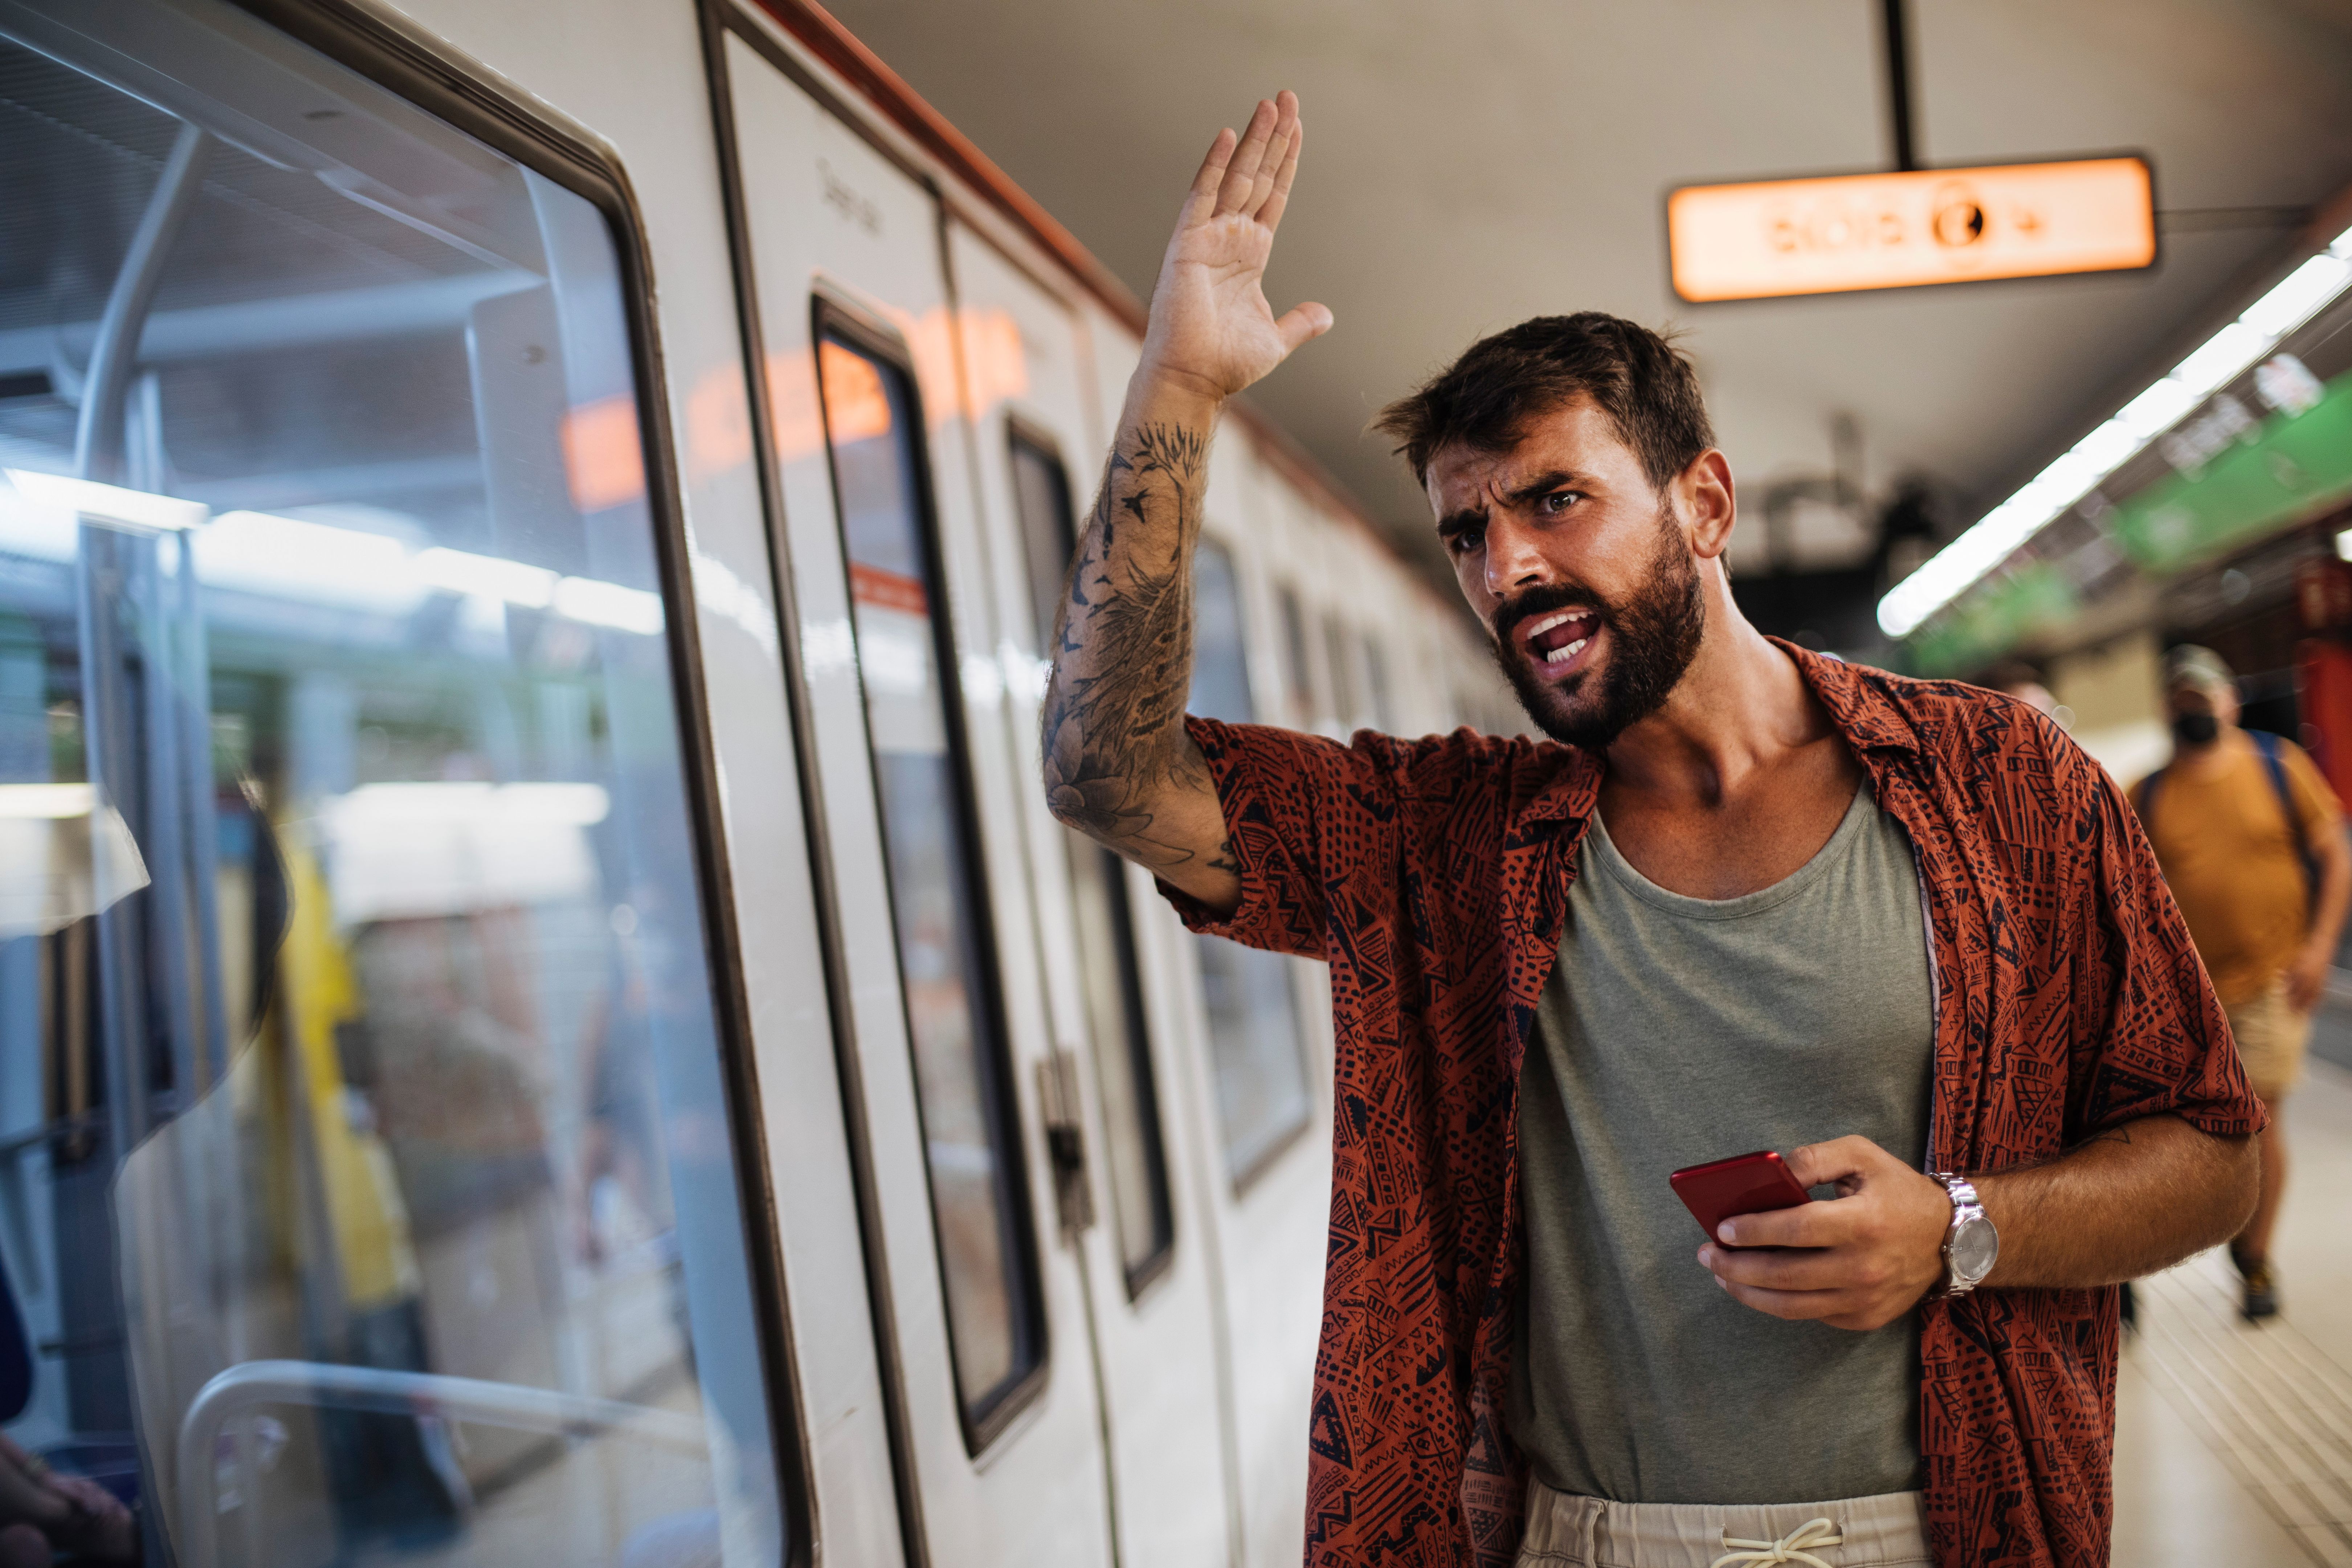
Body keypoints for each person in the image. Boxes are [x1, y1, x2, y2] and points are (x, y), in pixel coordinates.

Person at [1041, 92, 2262, 1568]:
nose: (1514, 566)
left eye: (1559, 500)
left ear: (1706, 502)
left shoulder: (1999, 784)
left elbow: (2212, 1155)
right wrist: (1177, 383)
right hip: (1580, 1541)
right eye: (1470, 531)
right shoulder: (1442, 839)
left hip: (1944, 1530)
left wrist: (1960, 1229)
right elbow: (1111, 773)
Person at [2131, 645, 2350, 1319]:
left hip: (2270, 982)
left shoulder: (2279, 768)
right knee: (2163, 1132)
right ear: (2169, 710)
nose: (2194, 710)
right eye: (2182, 702)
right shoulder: (2149, 793)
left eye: (2205, 699)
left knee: (2260, 1120)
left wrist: (2318, 948)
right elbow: (2129, 897)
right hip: (2184, 996)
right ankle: (2137, 1257)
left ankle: (2255, 1260)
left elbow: (2335, 854)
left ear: (2230, 702)